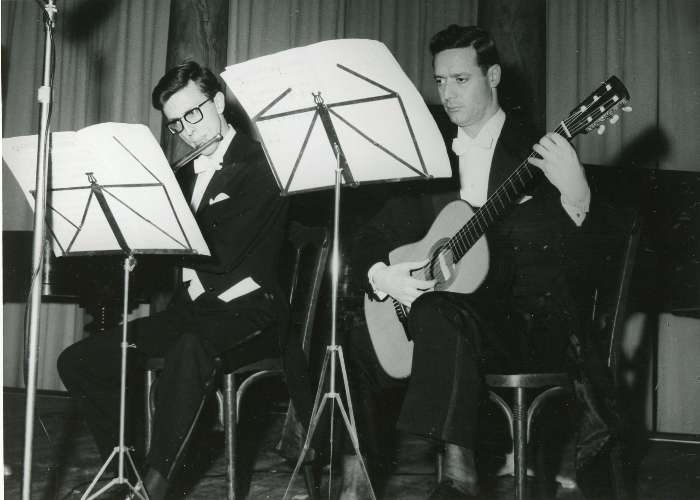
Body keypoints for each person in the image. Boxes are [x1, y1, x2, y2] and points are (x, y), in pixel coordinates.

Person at [339, 25, 621, 499]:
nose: (447, 93)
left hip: (519, 328)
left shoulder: (536, 152)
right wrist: (383, 275)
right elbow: (373, 234)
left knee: (437, 310)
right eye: (440, 80)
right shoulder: (429, 156)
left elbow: (582, 261)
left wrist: (577, 193)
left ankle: (458, 479)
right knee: (353, 336)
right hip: (443, 323)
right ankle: (355, 485)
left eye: (460, 79)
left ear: (492, 76)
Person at [58, 61, 313, 499]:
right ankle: (125, 470)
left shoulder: (265, 165)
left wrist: (159, 236)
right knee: (80, 360)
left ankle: (155, 487)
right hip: (194, 312)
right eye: (176, 123)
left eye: (193, 113)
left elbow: (223, 253)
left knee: (189, 347)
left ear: (219, 103)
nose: (187, 131)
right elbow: (168, 258)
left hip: (251, 311)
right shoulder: (182, 175)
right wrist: (132, 246)